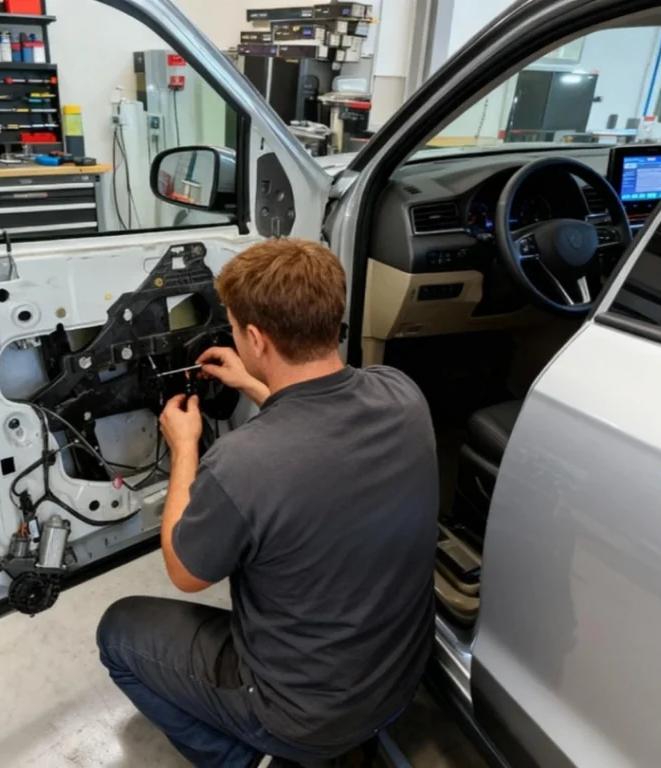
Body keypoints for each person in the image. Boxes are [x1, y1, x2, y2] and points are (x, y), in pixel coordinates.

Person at [96, 238, 438, 768]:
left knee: (117, 632)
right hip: (400, 681)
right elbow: (318, 428)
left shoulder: (240, 464)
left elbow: (185, 572)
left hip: (302, 716)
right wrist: (256, 385)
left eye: (233, 325)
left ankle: (246, 760)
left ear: (255, 337)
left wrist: (185, 446)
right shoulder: (403, 394)